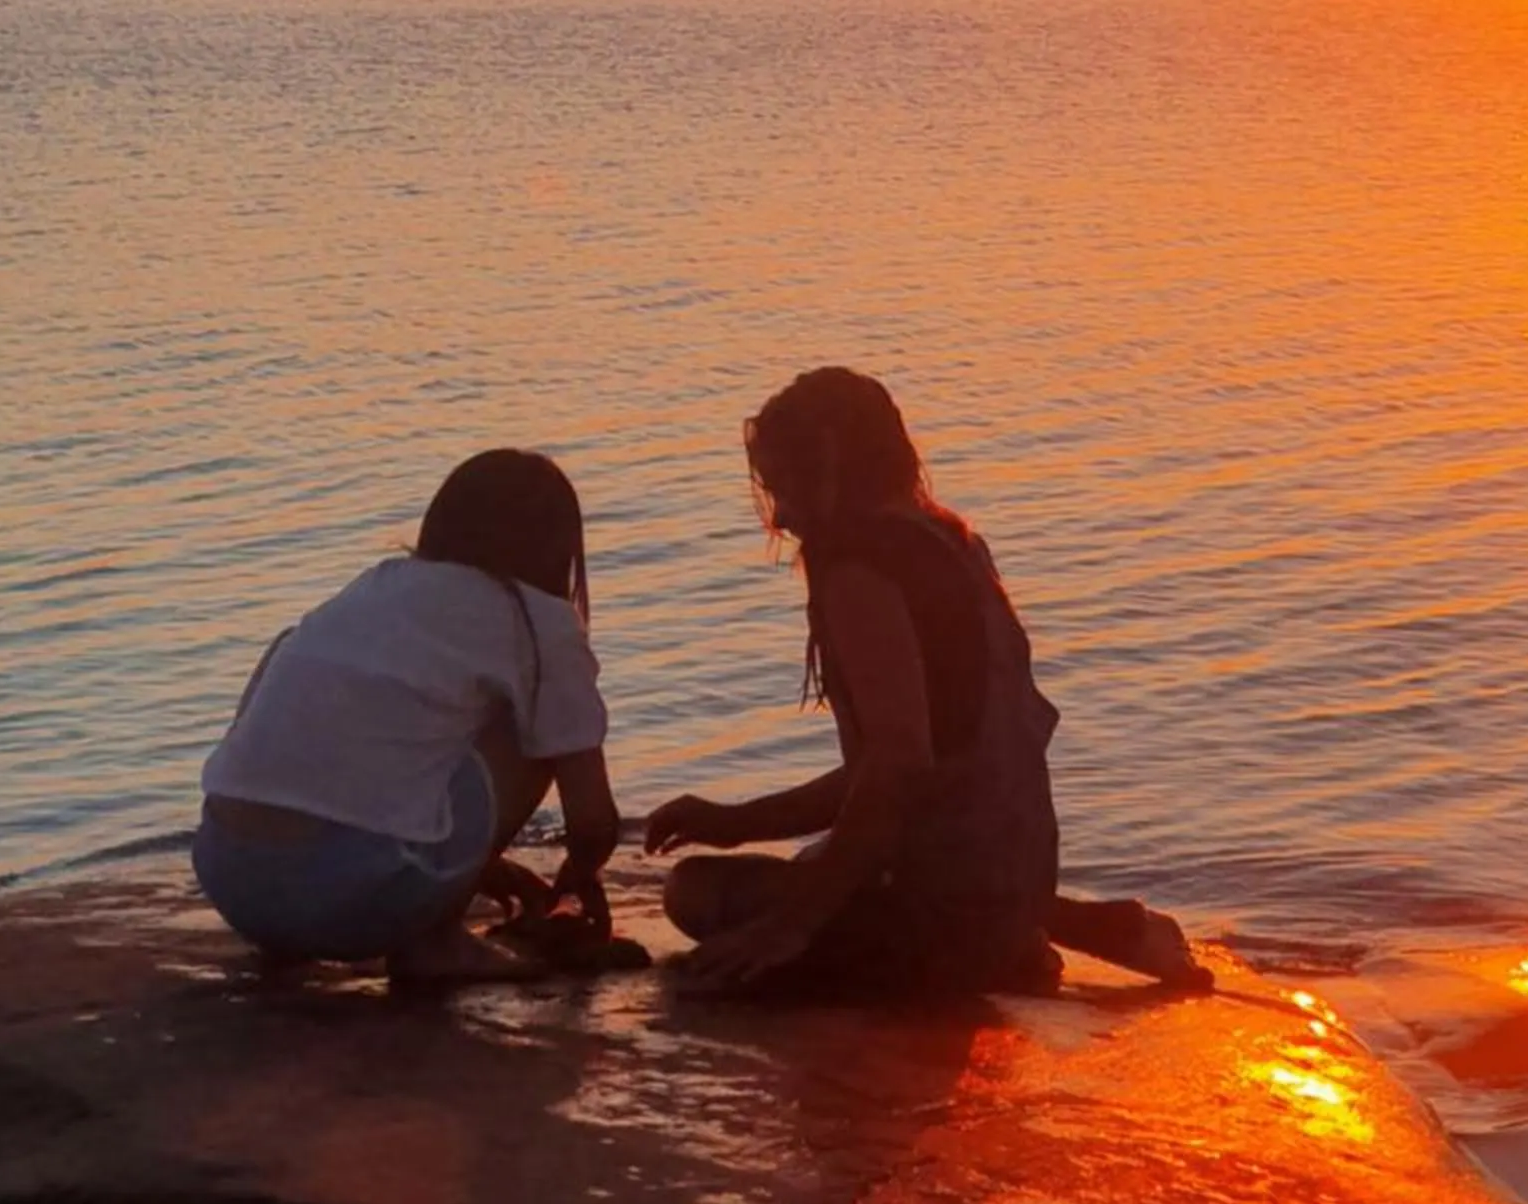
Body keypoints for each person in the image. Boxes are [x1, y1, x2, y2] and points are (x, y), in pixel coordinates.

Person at [645, 367, 1204, 1001]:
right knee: (813, 862)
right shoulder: (952, 542)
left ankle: (994, 946)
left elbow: (899, 768)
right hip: (1009, 878)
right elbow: (921, 766)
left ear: (830, 471)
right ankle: (1061, 925)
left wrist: (793, 927)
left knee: (696, 892)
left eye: (786, 487)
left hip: (949, 917)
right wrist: (738, 821)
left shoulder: (856, 572)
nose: (782, 515)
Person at [193, 449, 620, 983]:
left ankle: (295, 933)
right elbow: (593, 821)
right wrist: (577, 877)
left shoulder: (376, 585)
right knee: (535, 726)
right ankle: (437, 941)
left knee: (310, 667)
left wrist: (474, 864)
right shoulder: (539, 622)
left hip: (231, 879)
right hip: (343, 901)